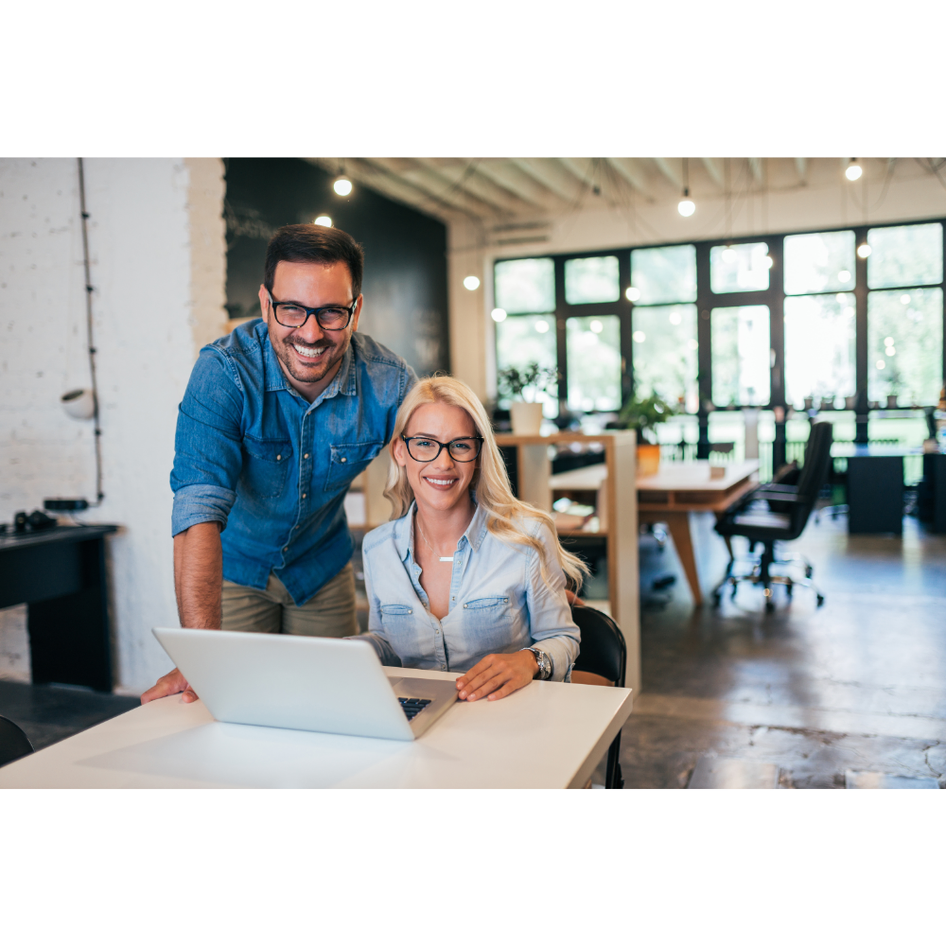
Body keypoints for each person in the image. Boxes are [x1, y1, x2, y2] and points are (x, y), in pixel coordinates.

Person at [142, 224, 416, 704]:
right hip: (234, 569)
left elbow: (450, 476)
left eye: (332, 312)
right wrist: (200, 656)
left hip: (321, 568)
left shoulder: (389, 383)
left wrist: (524, 568)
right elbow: (196, 511)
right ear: (266, 304)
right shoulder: (223, 373)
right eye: (292, 309)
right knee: (232, 708)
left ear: (356, 309)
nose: (310, 333)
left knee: (334, 708)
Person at [356, 375, 586, 702]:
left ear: (477, 455)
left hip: (506, 722)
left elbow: (563, 637)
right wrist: (348, 650)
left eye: (460, 445)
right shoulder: (378, 548)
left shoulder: (528, 537)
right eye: (425, 443)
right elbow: (387, 646)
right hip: (418, 723)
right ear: (400, 452)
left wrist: (528, 661)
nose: (443, 463)